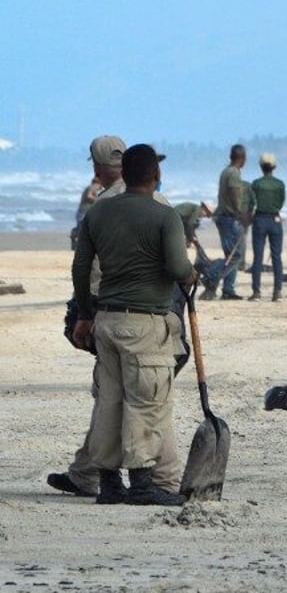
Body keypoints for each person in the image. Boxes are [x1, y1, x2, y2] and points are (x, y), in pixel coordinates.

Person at [49, 136, 185, 500]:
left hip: (108, 316)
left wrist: (86, 313)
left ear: (100, 169)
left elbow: (85, 268)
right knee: (148, 398)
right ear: (154, 174)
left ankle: (114, 481)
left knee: (113, 399)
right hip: (150, 317)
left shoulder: (100, 209)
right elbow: (176, 266)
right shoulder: (162, 207)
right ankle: (145, 482)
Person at [248, 153, 286, 302]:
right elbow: (281, 202)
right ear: (274, 167)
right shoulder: (280, 184)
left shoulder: (256, 184)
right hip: (275, 219)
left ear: (261, 167)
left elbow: (251, 203)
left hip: (259, 219)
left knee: (258, 257)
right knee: (276, 257)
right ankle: (277, 291)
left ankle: (256, 291)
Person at [213, 144, 246, 300]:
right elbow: (234, 193)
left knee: (230, 253)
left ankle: (228, 289)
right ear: (242, 158)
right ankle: (212, 276)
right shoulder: (233, 173)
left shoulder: (225, 171)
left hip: (222, 216)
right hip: (229, 217)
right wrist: (240, 212)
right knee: (236, 254)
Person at [71, 177, 101, 250]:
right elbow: (89, 196)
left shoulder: (89, 187)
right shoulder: (93, 187)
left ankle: (74, 237)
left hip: (82, 212)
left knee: (81, 230)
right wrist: (98, 200)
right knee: (83, 230)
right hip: (84, 212)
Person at [238, 178, 256, 271]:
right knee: (243, 239)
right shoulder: (248, 185)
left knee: (232, 239)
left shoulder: (229, 184)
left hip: (231, 214)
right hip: (244, 214)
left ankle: (233, 263)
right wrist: (250, 213)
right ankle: (241, 263)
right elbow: (253, 201)